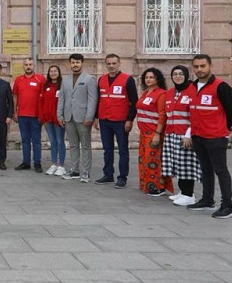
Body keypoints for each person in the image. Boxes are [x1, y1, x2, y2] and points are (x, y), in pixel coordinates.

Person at [186, 54, 232, 219]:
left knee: (221, 170)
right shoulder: (192, 86)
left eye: (203, 66)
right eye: (196, 67)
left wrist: (225, 126)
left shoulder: (221, 87)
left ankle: (228, 206)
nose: (199, 70)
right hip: (198, 135)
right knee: (205, 170)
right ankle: (208, 200)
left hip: (215, 136)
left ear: (210, 66)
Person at [95, 54, 138, 188]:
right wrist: (96, 117)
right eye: (109, 63)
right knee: (107, 149)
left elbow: (134, 102)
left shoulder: (127, 79)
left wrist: (129, 120)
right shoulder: (101, 80)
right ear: (106, 64)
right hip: (104, 120)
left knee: (122, 150)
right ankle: (108, 174)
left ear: (119, 64)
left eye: (114, 63)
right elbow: (99, 100)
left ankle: (122, 177)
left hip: (121, 121)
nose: (111, 66)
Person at [162, 65, 201, 207]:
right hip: (171, 134)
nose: (178, 76)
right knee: (177, 165)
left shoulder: (192, 91)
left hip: (185, 135)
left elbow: (195, 115)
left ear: (186, 75)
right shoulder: (170, 92)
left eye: (181, 74)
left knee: (186, 166)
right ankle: (182, 191)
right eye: (175, 74)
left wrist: (188, 135)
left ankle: (188, 194)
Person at [57, 53, 98, 182]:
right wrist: (60, 114)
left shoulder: (89, 79)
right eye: (73, 62)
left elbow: (93, 99)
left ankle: (85, 172)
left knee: (85, 145)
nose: (75, 65)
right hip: (69, 117)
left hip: (83, 117)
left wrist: (89, 116)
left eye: (78, 62)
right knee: (73, 145)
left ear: (82, 63)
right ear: (70, 63)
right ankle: (75, 170)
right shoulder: (66, 79)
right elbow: (62, 98)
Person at [137, 68, 170, 196]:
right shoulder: (146, 93)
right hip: (143, 132)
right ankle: (146, 184)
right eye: (146, 77)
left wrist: (157, 133)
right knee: (144, 159)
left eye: (151, 77)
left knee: (153, 160)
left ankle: (158, 186)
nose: (148, 79)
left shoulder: (161, 94)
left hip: (153, 133)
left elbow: (162, 115)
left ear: (157, 79)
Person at [12, 57, 45, 173]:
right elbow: (15, 96)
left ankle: (37, 163)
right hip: (22, 115)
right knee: (25, 140)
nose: (28, 66)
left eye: (30, 64)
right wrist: (14, 112)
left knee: (36, 140)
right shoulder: (18, 80)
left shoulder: (40, 79)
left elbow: (44, 97)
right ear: (23, 66)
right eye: (26, 64)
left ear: (34, 66)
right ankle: (26, 162)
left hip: (36, 116)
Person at [38, 65, 66, 177]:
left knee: (60, 142)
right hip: (48, 119)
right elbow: (41, 102)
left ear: (59, 73)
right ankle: (54, 164)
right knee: (53, 142)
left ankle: (61, 166)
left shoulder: (63, 85)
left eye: (55, 71)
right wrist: (42, 117)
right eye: (51, 71)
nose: (53, 73)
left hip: (58, 120)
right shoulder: (45, 85)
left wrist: (62, 117)